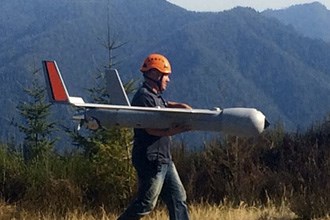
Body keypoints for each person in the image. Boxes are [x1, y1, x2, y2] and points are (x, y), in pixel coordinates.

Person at [117, 53, 191, 220]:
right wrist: (174, 131)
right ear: (155, 75)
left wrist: (180, 106)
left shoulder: (154, 96)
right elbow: (150, 129)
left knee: (178, 199)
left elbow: (163, 105)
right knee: (146, 203)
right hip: (151, 160)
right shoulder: (144, 97)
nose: (168, 80)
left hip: (164, 159)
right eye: (166, 76)